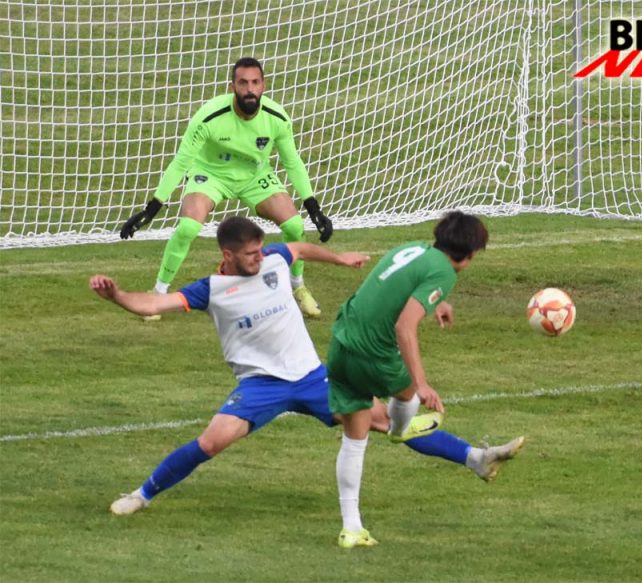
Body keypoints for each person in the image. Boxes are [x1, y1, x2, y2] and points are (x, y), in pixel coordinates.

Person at [91, 217, 523, 518]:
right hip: (261, 385)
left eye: (261, 250)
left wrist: (338, 259)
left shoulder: (274, 260)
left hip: (313, 376)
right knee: (211, 442)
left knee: (386, 421)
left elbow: (297, 248)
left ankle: (476, 458)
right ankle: (142, 494)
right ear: (228, 255)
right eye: (251, 254)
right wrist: (119, 296)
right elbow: (154, 304)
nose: (260, 258)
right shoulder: (212, 289)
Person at [328, 210, 523, 549]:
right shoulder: (445, 271)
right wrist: (421, 383)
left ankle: (352, 528)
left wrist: (437, 301)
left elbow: (398, 286)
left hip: (341, 344)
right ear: (470, 254)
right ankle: (400, 431)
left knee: (355, 438)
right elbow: (404, 327)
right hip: (373, 353)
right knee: (407, 395)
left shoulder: (414, 248)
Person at [119, 57, 331, 319]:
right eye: (243, 83)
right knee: (188, 227)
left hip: (254, 176)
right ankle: (159, 293)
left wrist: (313, 207)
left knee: (295, 226)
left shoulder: (276, 118)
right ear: (232, 87)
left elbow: (292, 162)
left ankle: (297, 287)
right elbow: (181, 162)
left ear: (263, 86)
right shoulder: (209, 116)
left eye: (255, 82)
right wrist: (152, 208)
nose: (250, 89)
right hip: (210, 174)